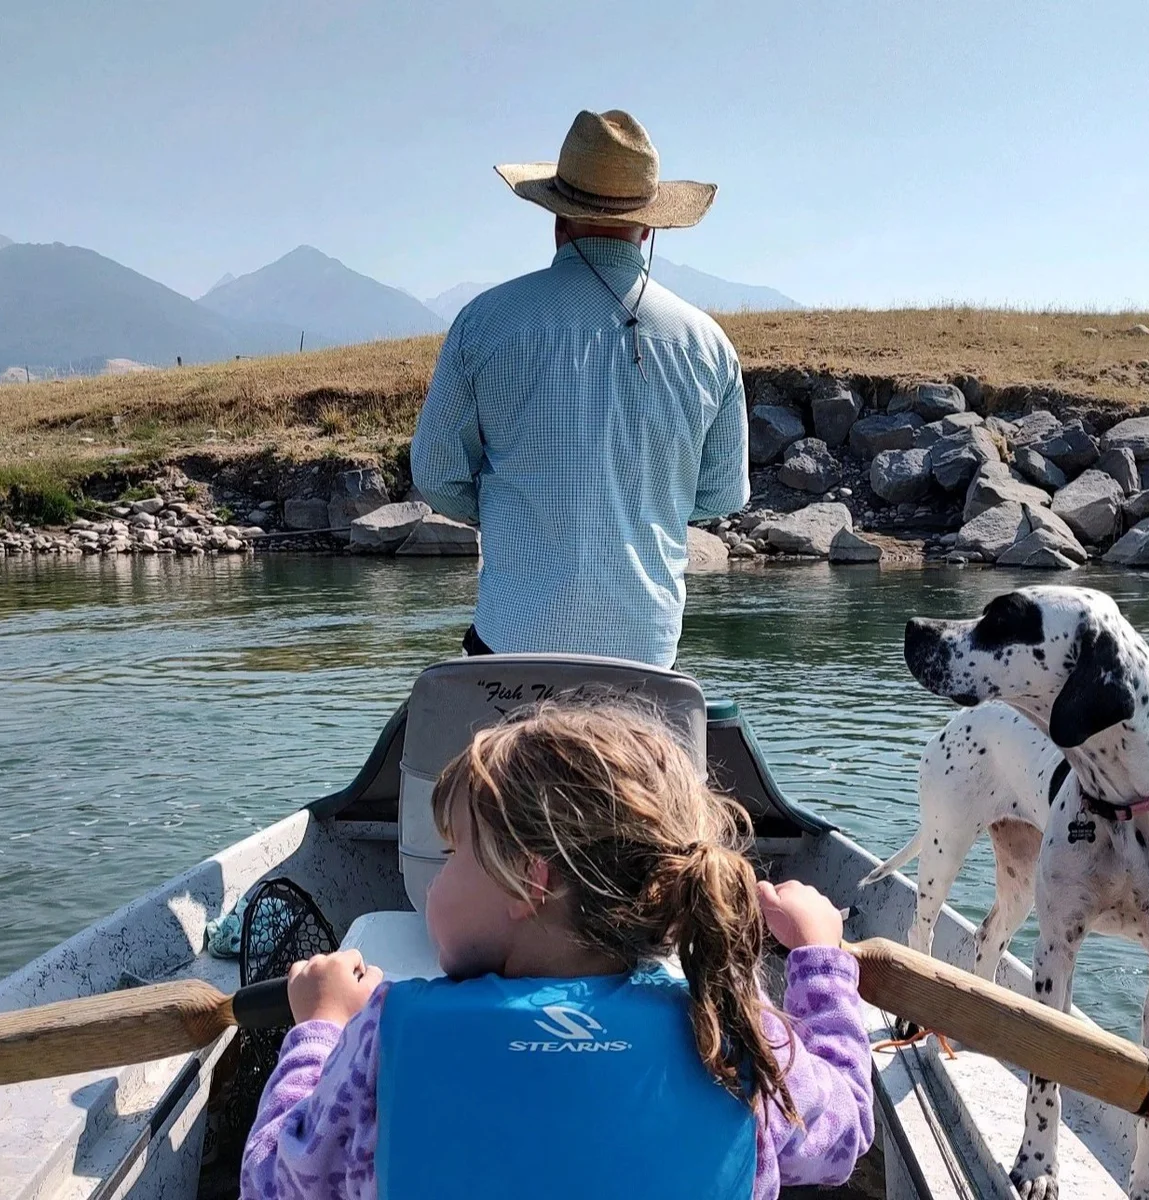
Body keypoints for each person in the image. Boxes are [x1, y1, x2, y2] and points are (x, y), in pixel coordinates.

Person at [241, 703, 873, 1199]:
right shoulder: (734, 1029)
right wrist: (819, 957)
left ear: (527, 880)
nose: (436, 881)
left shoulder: (381, 1034)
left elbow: (273, 1183)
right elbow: (843, 1136)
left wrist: (320, 1027)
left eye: (453, 854)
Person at [410, 109, 750, 668]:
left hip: (510, 645)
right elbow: (721, 496)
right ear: (649, 228)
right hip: (647, 654)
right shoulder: (709, 344)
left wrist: (515, 509)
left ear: (556, 219)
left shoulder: (483, 322)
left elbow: (438, 476)